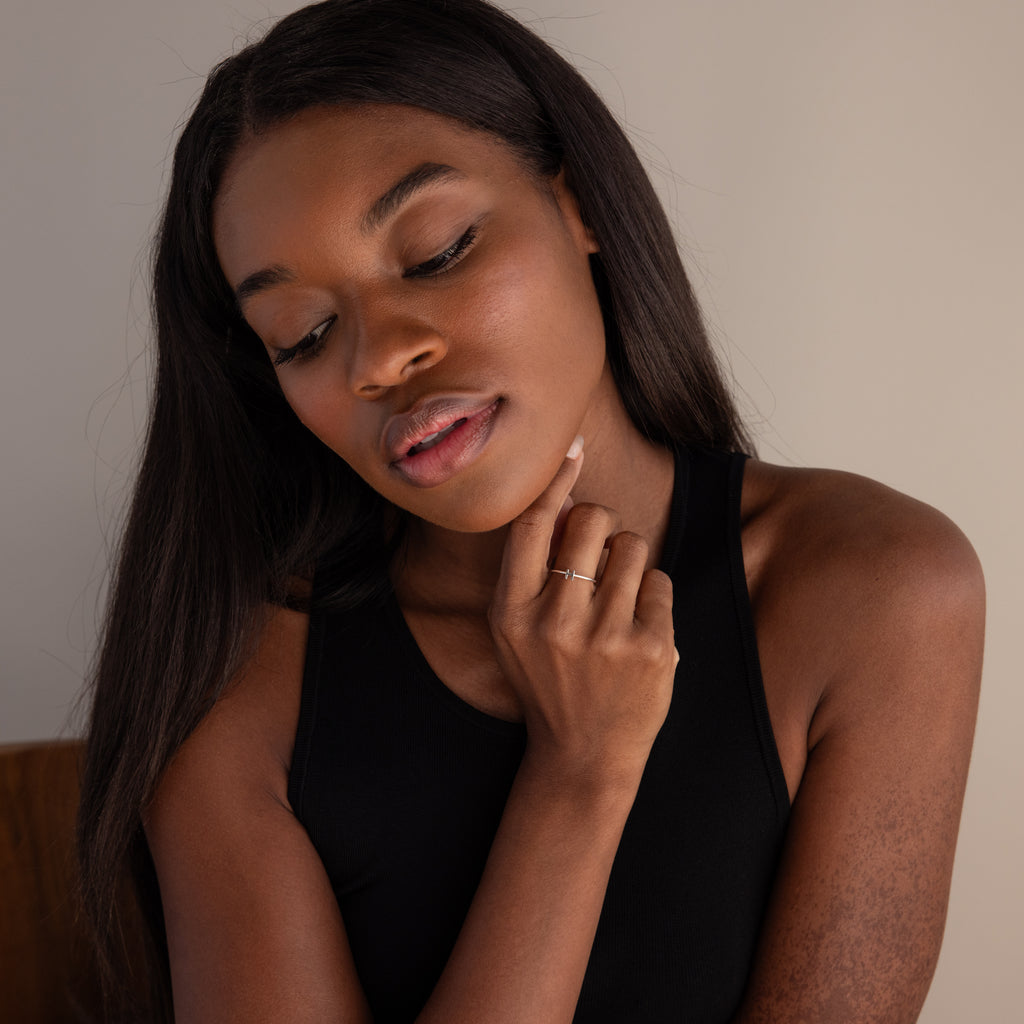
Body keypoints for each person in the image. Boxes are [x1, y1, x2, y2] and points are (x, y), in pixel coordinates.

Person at [76, 1, 985, 1021]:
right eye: (305, 333)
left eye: (435, 252)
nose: (380, 358)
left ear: (577, 202)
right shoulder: (234, 683)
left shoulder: (877, 592)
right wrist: (576, 779)